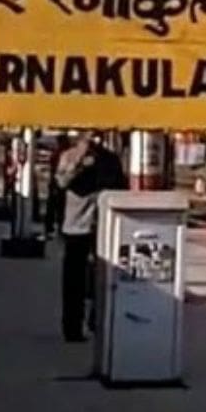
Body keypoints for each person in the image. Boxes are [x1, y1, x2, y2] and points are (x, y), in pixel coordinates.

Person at [55, 130, 127, 342]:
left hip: (103, 225)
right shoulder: (69, 156)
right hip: (76, 225)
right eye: (89, 136)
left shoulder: (110, 159)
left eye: (96, 135)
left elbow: (121, 189)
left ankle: (99, 321)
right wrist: (79, 161)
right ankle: (72, 326)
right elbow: (62, 182)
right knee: (74, 280)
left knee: (102, 276)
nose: (94, 139)